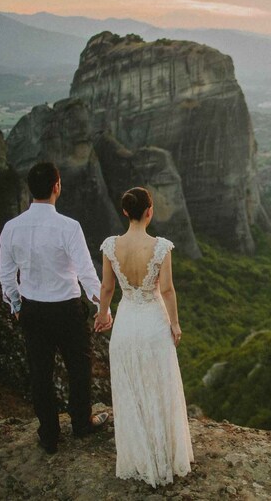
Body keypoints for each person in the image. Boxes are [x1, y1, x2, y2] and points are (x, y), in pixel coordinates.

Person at [0, 162, 112, 455]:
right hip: (67, 310)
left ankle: (49, 434)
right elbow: (87, 273)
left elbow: (6, 274)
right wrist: (103, 308)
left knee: (40, 373)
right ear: (57, 187)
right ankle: (81, 423)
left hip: (33, 309)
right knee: (79, 368)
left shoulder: (11, 228)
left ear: (29, 189)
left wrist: (15, 304)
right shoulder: (68, 227)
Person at [98, 187, 194, 487]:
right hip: (153, 323)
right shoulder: (161, 247)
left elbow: (107, 288)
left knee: (132, 388)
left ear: (125, 212)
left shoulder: (111, 247)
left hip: (126, 324)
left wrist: (102, 315)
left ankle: (140, 456)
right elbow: (166, 290)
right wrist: (175, 324)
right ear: (149, 211)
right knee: (159, 386)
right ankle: (163, 454)